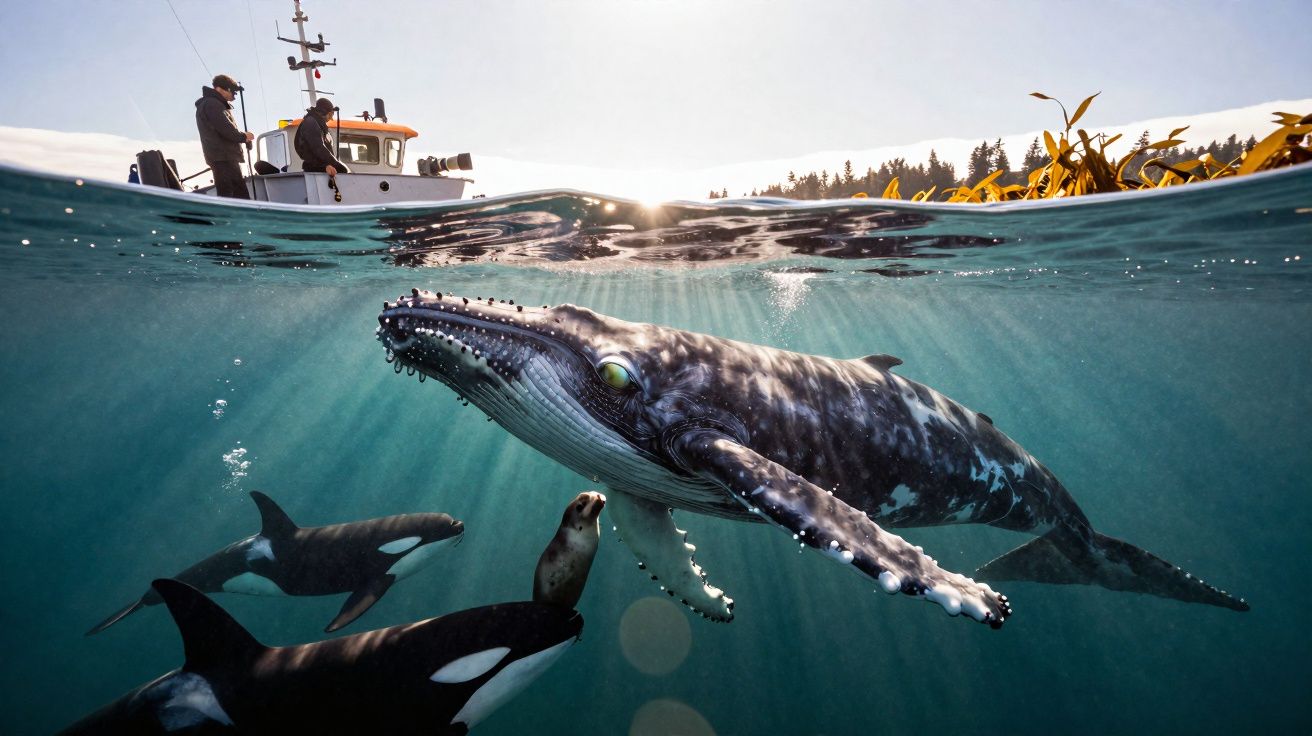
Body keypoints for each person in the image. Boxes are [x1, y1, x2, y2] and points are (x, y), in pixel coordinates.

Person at [194, 74, 255, 199]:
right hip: (224, 159)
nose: (234, 95)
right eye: (232, 91)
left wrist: (242, 137)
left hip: (222, 158)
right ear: (220, 89)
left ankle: (231, 217)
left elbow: (222, 129)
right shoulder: (213, 104)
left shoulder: (211, 104)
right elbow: (226, 130)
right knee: (237, 197)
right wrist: (245, 137)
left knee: (229, 196)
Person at [294, 97, 349, 177]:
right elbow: (318, 147)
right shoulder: (310, 122)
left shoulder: (319, 124)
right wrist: (334, 163)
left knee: (342, 169)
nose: (331, 118)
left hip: (321, 165)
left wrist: (333, 163)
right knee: (342, 170)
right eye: (330, 115)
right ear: (324, 112)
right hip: (314, 166)